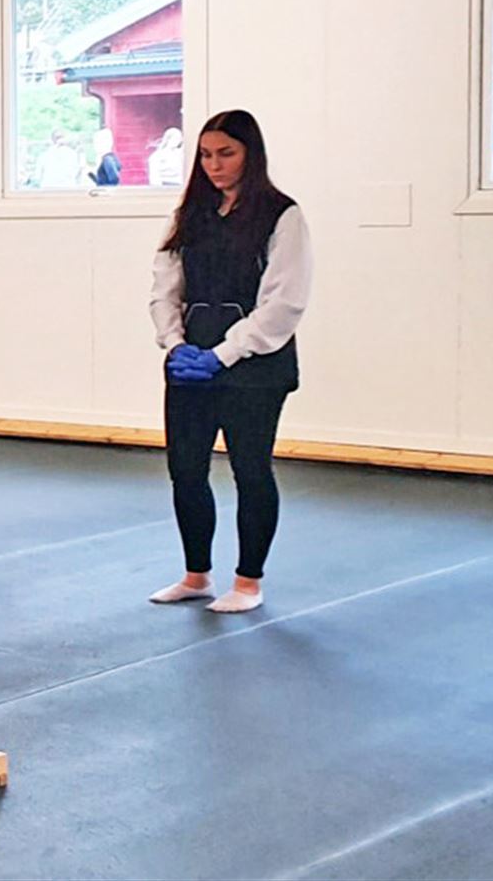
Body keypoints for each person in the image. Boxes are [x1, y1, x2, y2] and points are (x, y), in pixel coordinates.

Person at [147, 109, 312, 614]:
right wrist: (175, 344)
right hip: (190, 363)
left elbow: (284, 302)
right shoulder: (189, 214)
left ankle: (247, 582)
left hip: (255, 369)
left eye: (227, 154)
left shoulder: (283, 215)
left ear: (250, 155)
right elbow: (164, 287)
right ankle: (196, 573)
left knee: (250, 470)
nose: (214, 165)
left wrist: (223, 354)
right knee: (186, 470)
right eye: (206, 155)